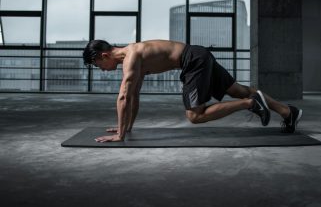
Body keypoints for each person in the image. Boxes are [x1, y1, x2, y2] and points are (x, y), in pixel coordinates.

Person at [83, 39, 303, 143]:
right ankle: (287, 112)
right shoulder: (134, 56)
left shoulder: (131, 58)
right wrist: (126, 127)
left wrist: (120, 136)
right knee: (238, 89)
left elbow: (123, 97)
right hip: (198, 54)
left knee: (195, 115)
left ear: (104, 56)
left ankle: (251, 104)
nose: (101, 70)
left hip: (192, 60)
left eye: (98, 66)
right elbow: (133, 96)